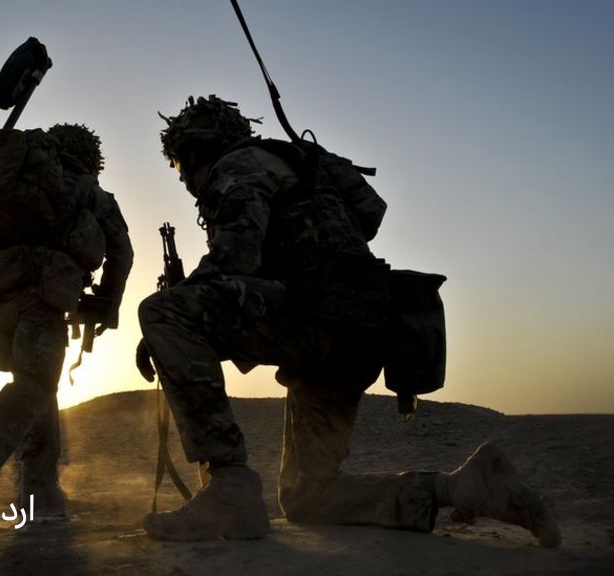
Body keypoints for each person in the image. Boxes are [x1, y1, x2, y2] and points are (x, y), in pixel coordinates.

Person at [136, 95, 560, 546]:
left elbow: (235, 256)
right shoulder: (307, 167)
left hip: (315, 320)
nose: (183, 180)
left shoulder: (237, 164)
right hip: (358, 332)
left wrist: (173, 321)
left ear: (197, 150)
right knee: (308, 496)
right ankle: (460, 487)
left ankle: (230, 489)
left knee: (162, 310)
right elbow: (370, 215)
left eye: (179, 165)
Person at [0, 123, 133, 518]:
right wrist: (108, 305)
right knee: (37, 383)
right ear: (91, 157)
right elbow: (121, 252)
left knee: (36, 385)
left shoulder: (22, 179)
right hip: (41, 291)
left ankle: (40, 491)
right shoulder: (88, 190)